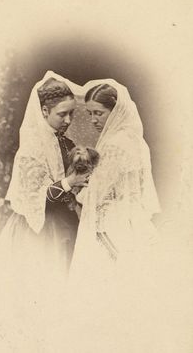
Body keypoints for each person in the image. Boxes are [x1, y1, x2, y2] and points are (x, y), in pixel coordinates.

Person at [55, 79, 162, 353]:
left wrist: (76, 190)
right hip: (130, 221)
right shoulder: (135, 140)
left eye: (98, 114)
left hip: (111, 225)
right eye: (89, 113)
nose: (92, 120)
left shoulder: (115, 144)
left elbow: (95, 192)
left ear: (114, 112)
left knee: (104, 292)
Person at [0, 71, 88, 288]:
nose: (68, 120)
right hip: (38, 229)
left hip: (66, 225)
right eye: (62, 114)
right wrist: (70, 182)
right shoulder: (31, 148)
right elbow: (36, 197)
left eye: (71, 114)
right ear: (45, 111)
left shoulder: (67, 143)